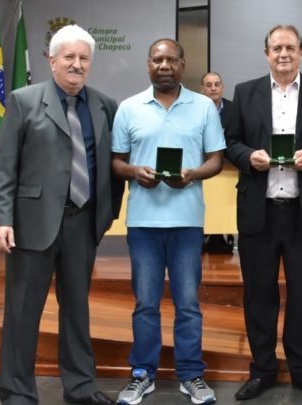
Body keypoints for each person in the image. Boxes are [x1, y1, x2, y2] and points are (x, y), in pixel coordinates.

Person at [0, 24, 118, 405]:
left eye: (83, 58)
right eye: (69, 57)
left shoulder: (105, 105)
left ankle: (80, 386)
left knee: (77, 310)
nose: (77, 65)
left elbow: (110, 168)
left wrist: (106, 215)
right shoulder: (24, 100)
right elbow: (5, 167)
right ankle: (16, 392)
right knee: (23, 312)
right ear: (52, 60)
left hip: (83, 224)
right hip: (32, 225)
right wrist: (0, 219)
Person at [224, 24, 302, 402]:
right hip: (258, 211)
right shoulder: (245, 93)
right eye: (276, 48)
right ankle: (262, 371)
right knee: (258, 296)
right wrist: (248, 157)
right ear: (266, 53)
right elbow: (230, 142)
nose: (283, 54)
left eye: (290, 47)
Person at [111, 39, 225, 405]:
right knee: (145, 302)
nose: (164, 65)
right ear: (148, 65)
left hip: (187, 222)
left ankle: (190, 374)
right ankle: (142, 373)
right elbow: (116, 161)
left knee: (188, 303)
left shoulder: (204, 106)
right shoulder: (128, 108)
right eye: (157, 60)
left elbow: (216, 159)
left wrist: (192, 174)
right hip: (143, 222)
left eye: (171, 60)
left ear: (182, 64)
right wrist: (133, 171)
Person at [199, 71, 235, 254]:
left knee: (223, 204)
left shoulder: (234, 109)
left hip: (228, 166)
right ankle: (202, 235)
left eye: (217, 84)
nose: (213, 88)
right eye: (209, 84)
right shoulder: (194, 108)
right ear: (202, 89)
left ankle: (220, 237)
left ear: (222, 87)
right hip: (201, 166)